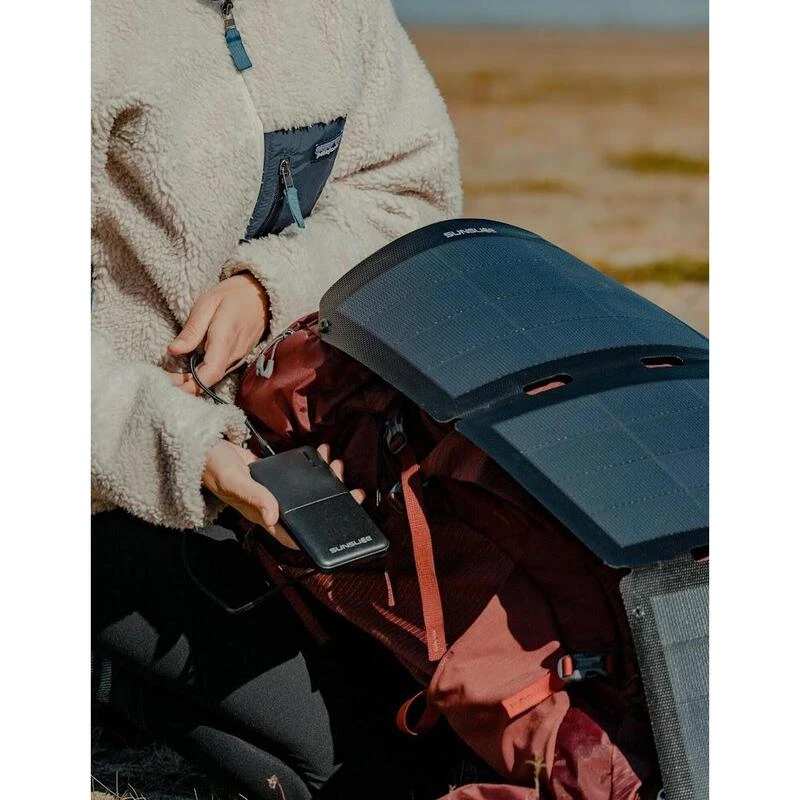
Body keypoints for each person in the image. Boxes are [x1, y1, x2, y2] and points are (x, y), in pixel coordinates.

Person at [91, 1, 462, 796]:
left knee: (457, 716)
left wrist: (266, 288)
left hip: (295, 441)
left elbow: (411, 194)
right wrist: (190, 452)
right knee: (363, 767)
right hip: (113, 476)